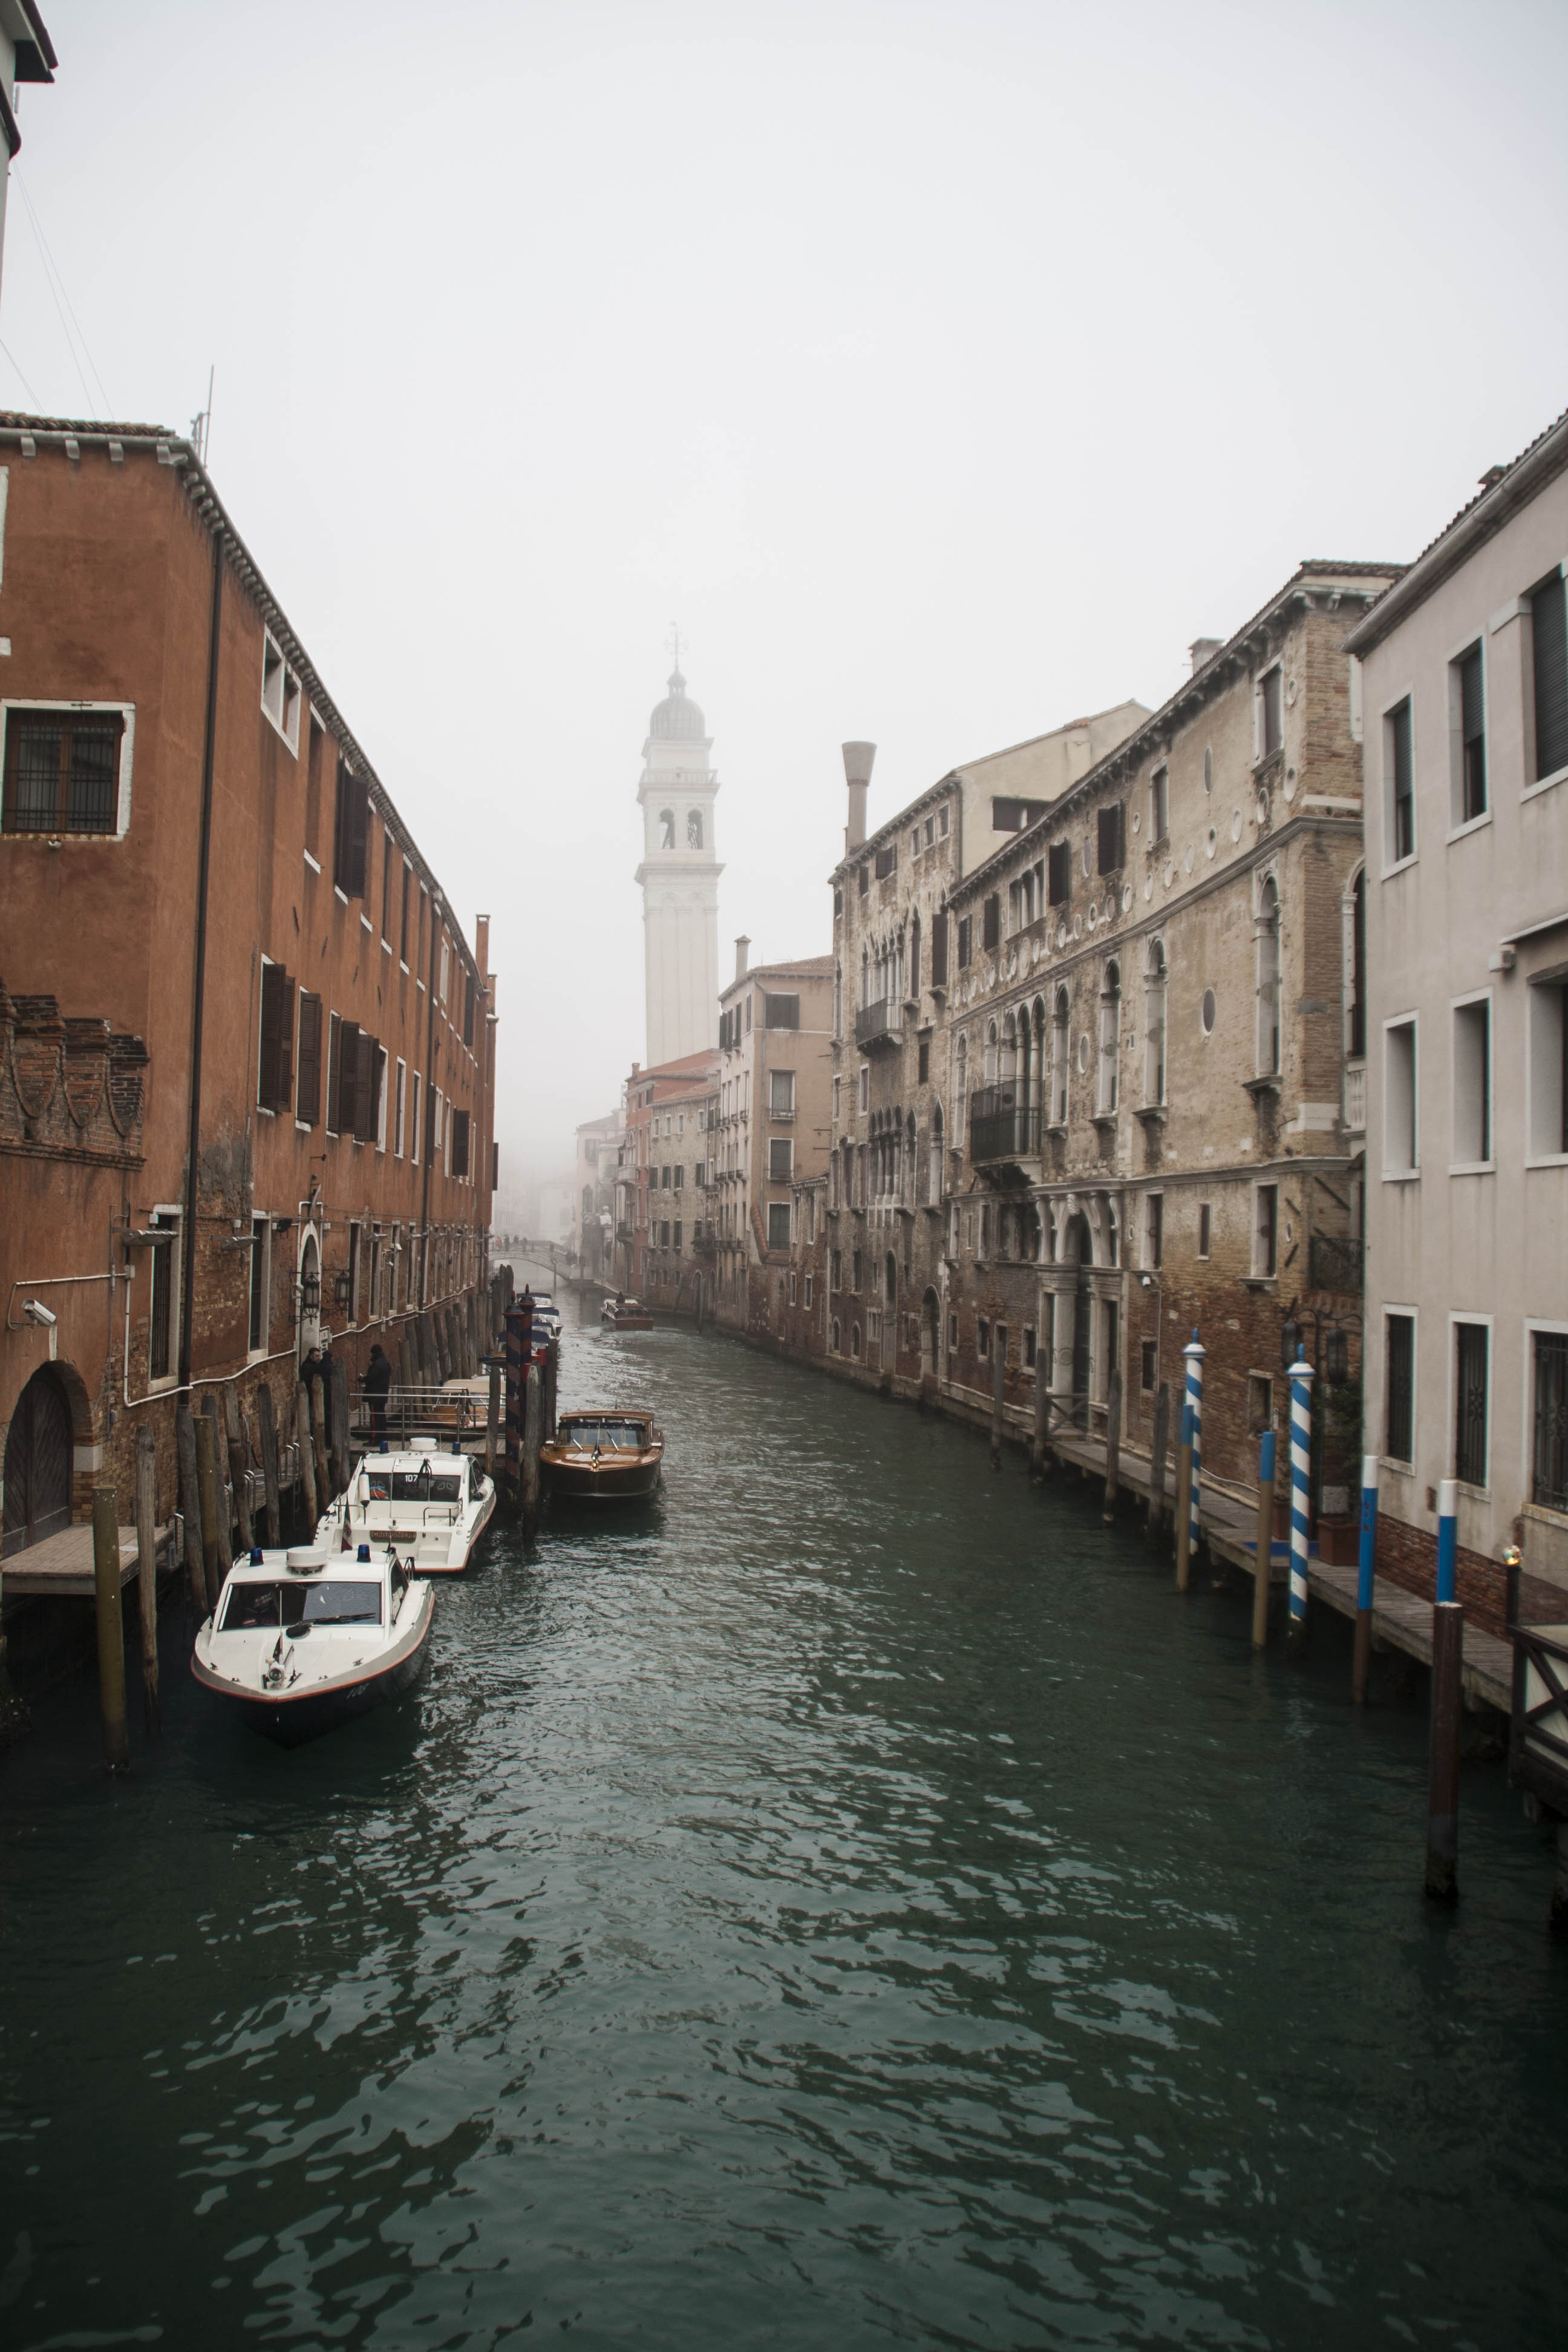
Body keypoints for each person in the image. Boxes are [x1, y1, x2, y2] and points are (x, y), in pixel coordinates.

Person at [364, 1341, 393, 1444]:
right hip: (383, 1394)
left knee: (375, 1417)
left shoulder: (376, 1365)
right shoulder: (386, 1363)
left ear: (374, 1353)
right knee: (381, 1416)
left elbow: (371, 1378)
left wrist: (363, 1378)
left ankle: (374, 1439)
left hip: (374, 1395)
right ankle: (383, 1437)